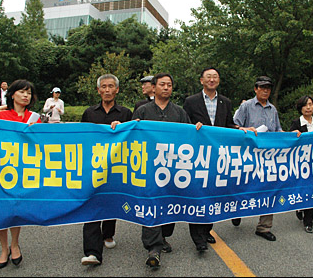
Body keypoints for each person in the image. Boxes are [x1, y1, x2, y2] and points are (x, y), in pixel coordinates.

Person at [183, 67, 255, 252]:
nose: (212, 79)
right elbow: (183, 126)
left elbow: (228, 124)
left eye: (215, 77)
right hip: (198, 156)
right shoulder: (191, 101)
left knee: (213, 194)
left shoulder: (225, 102)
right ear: (201, 80)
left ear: (219, 80)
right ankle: (198, 238)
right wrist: (193, 127)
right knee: (198, 193)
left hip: (217, 156)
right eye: (208, 77)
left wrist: (240, 129)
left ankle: (207, 230)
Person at [0, 79, 41, 269]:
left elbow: (43, 141)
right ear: (12, 94)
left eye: (29, 93)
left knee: (16, 208)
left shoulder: (35, 117)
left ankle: (15, 244)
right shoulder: (2, 117)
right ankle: (3, 248)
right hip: (3, 169)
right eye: (22, 92)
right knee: (1, 208)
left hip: (24, 170)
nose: (25, 96)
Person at [132, 72, 191, 268]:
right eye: (162, 84)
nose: (166, 88)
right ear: (154, 87)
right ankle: (153, 248)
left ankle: (163, 236)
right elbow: (131, 135)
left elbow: (189, 136)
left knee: (170, 205)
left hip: (173, 169)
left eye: (169, 85)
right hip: (149, 168)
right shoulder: (142, 111)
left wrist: (199, 129)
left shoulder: (180, 113)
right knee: (151, 204)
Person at [80, 74, 133, 266]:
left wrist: (122, 129)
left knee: (111, 202)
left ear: (117, 90)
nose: (108, 90)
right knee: (91, 204)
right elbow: (80, 138)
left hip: (116, 167)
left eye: (111, 86)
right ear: (98, 90)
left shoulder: (126, 113)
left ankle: (108, 234)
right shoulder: (89, 113)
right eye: (104, 86)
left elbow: (134, 139)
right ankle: (93, 252)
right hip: (93, 166)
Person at [232, 76, 282, 242]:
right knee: (243, 186)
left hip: (267, 156)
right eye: (262, 87)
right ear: (255, 89)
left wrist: (294, 136)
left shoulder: (272, 109)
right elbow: (234, 126)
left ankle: (264, 227)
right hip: (247, 155)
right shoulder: (246, 106)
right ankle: (237, 210)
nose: (265, 90)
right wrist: (245, 129)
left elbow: (277, 130)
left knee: (269, 189)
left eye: (268, 87)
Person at [290, 95, 313, 233]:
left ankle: (309, 221)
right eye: (305, 105)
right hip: (301, 163)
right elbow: (290, 141)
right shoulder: (296, 123)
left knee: (312, 190)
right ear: (300, 108)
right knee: (302, 188)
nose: (308, 107)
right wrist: (293, 134)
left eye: (310, 104)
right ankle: (300, 207)